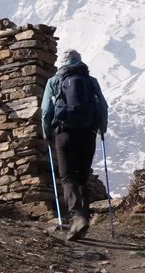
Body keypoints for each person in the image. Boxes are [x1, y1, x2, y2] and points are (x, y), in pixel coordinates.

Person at [40, 49, 108, 240]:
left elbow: (46, 110)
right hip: (88, 133)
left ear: (62, 63)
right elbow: (102, 106)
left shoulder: (55, 81)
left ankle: (78, 216)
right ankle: (83, 217)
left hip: (64, 133)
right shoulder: (91, 81)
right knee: (82, 176)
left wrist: (46, 132)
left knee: (68, 176)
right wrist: (102, 128)